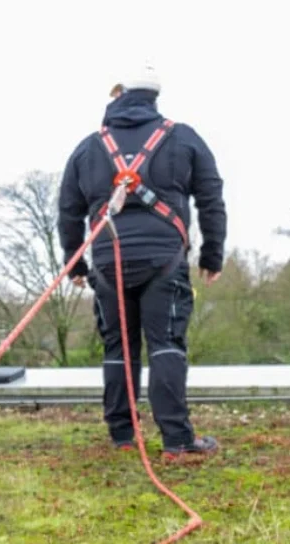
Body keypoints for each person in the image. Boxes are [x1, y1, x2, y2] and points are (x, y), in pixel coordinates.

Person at [58, 65, 226, 459]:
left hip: (107, 260)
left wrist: (75, 264)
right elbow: (211, 197)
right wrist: (212, 253)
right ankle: (177, 441)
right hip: (162, 259)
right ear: (153, 99)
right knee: (165, 343)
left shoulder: (88, 148)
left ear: (117, 96)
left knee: (119, 345)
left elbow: (68, 210)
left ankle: (122, 434)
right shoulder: (182, 138)